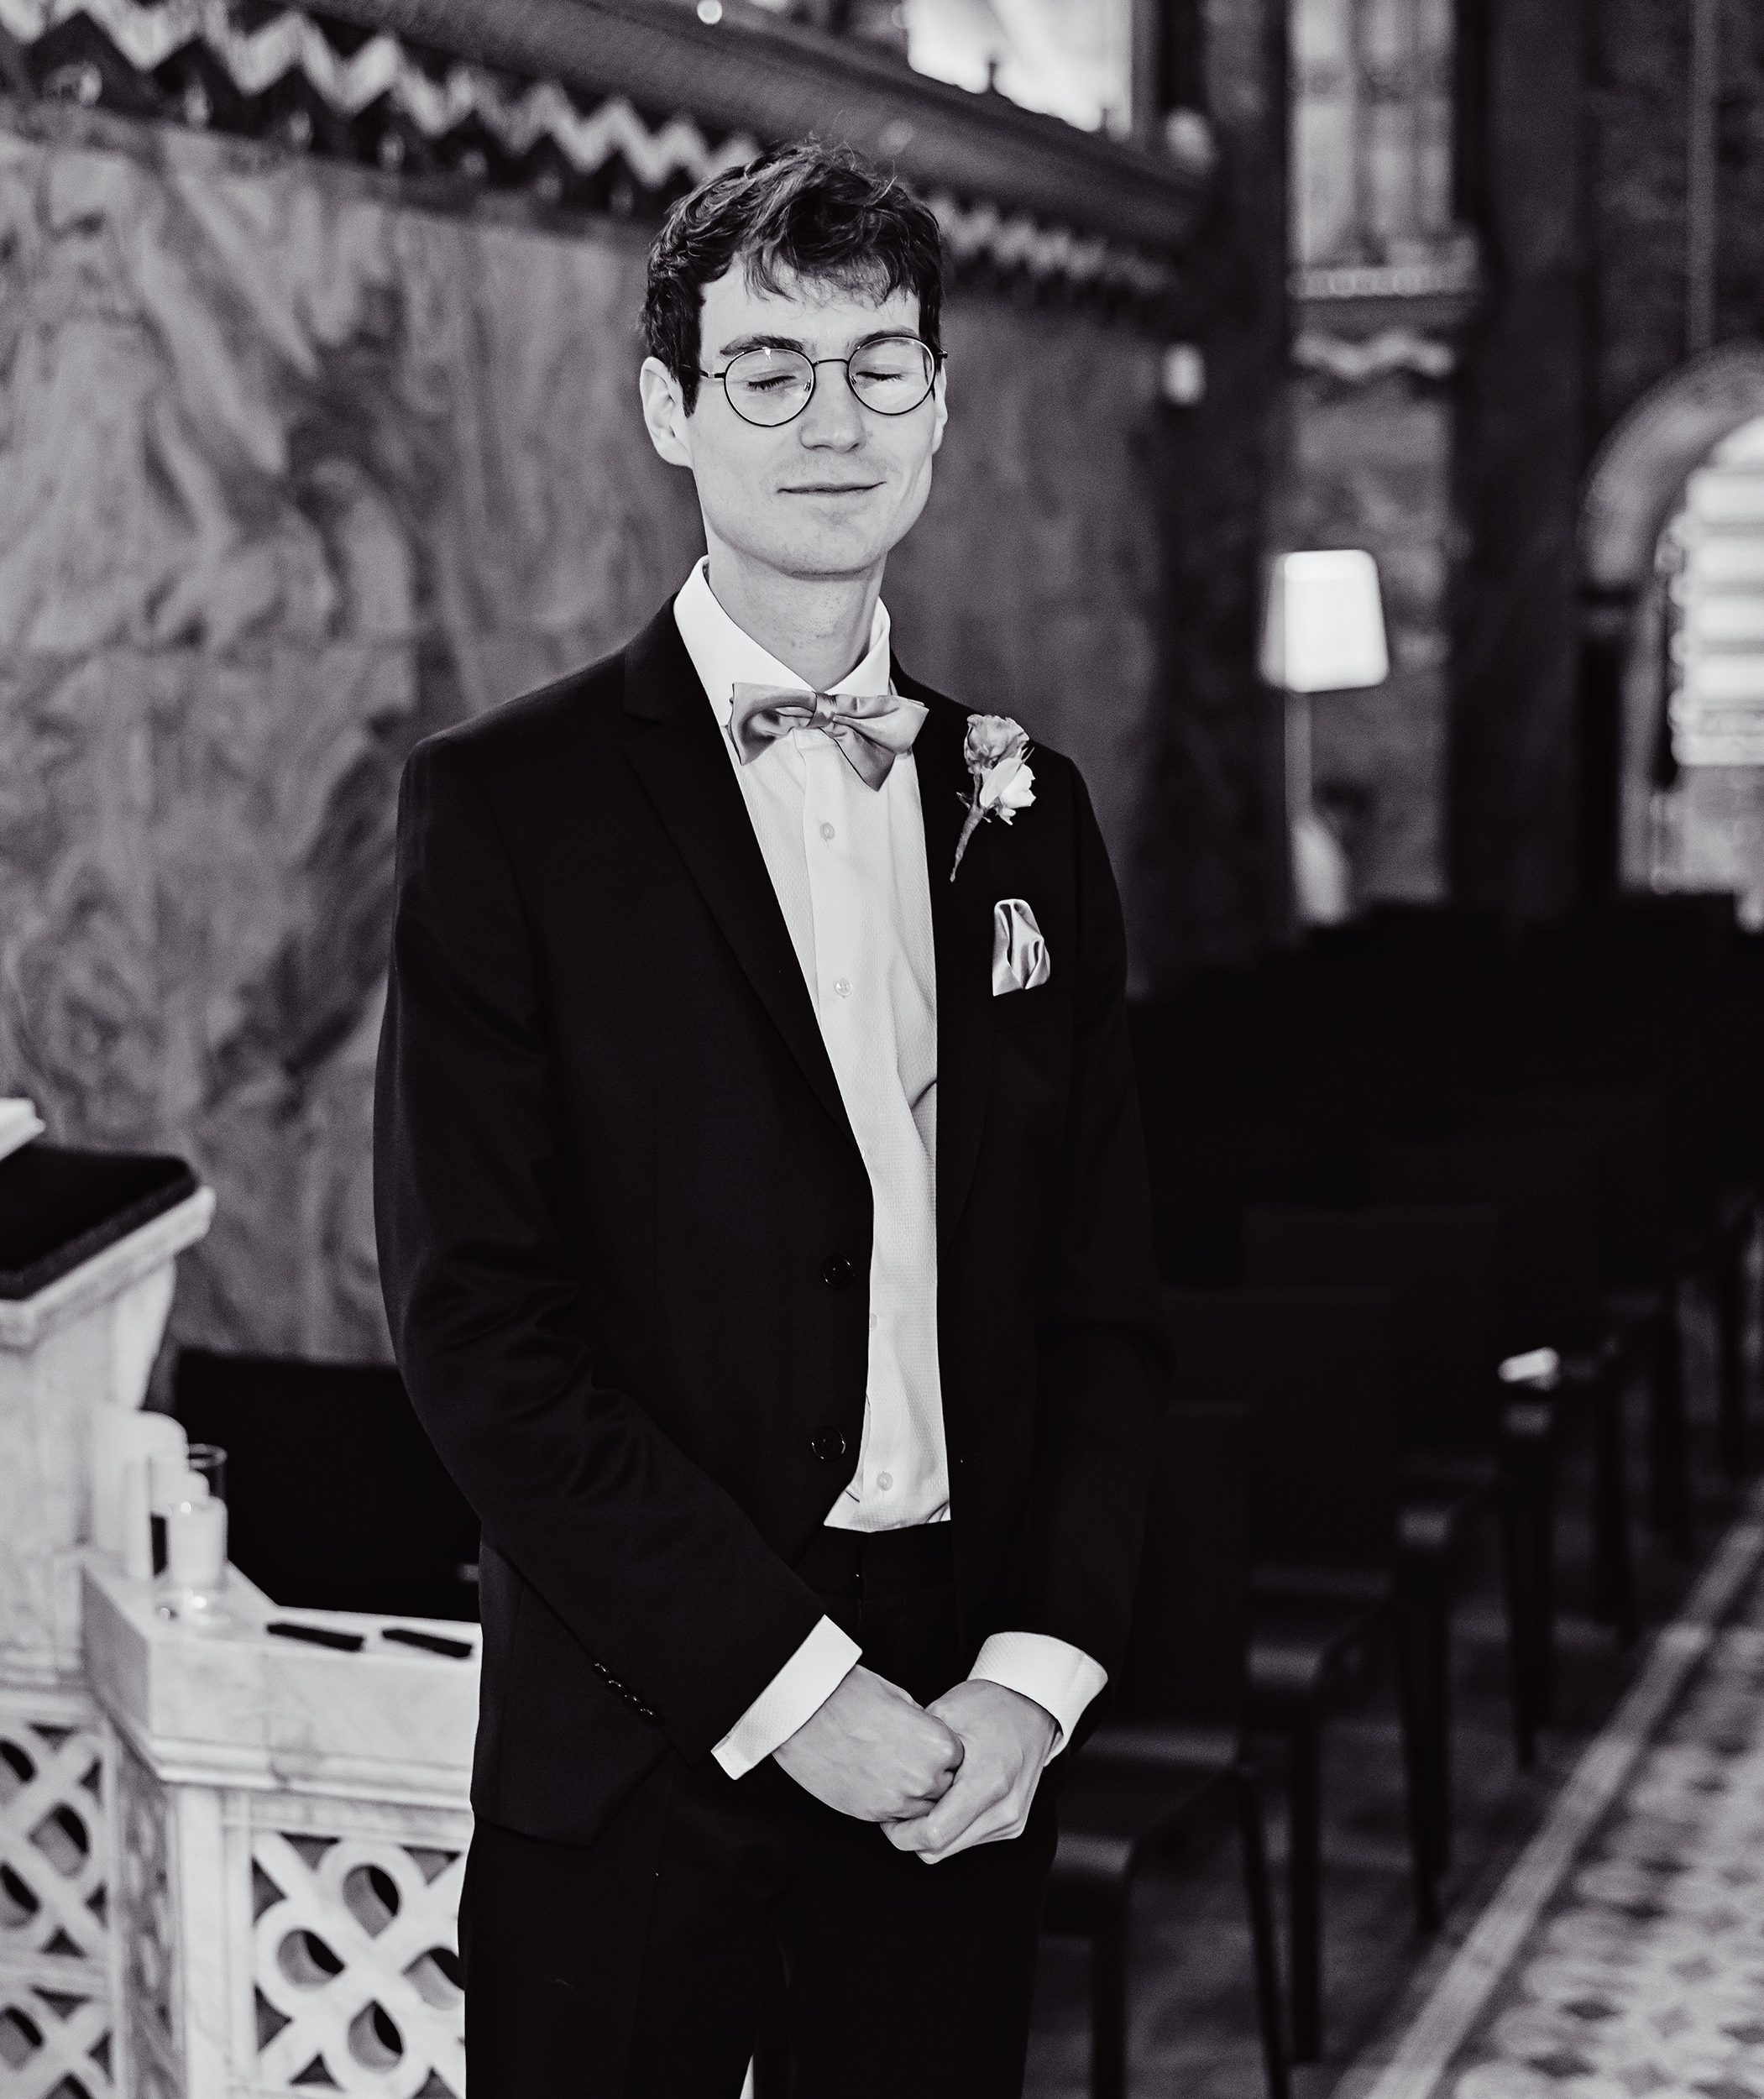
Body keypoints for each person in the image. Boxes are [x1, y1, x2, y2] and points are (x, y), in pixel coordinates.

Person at [374, 139, 1167, 2099]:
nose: (834, 420)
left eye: (879, 363)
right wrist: (792, 1691)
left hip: (953, 1725)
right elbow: (478, 1325)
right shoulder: (510, 811)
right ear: (671, 408)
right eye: (768, 369)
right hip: (646, 1708)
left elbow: (1104, 1298)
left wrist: (1031, 1679)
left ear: (940, 410)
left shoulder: (1029, 810)